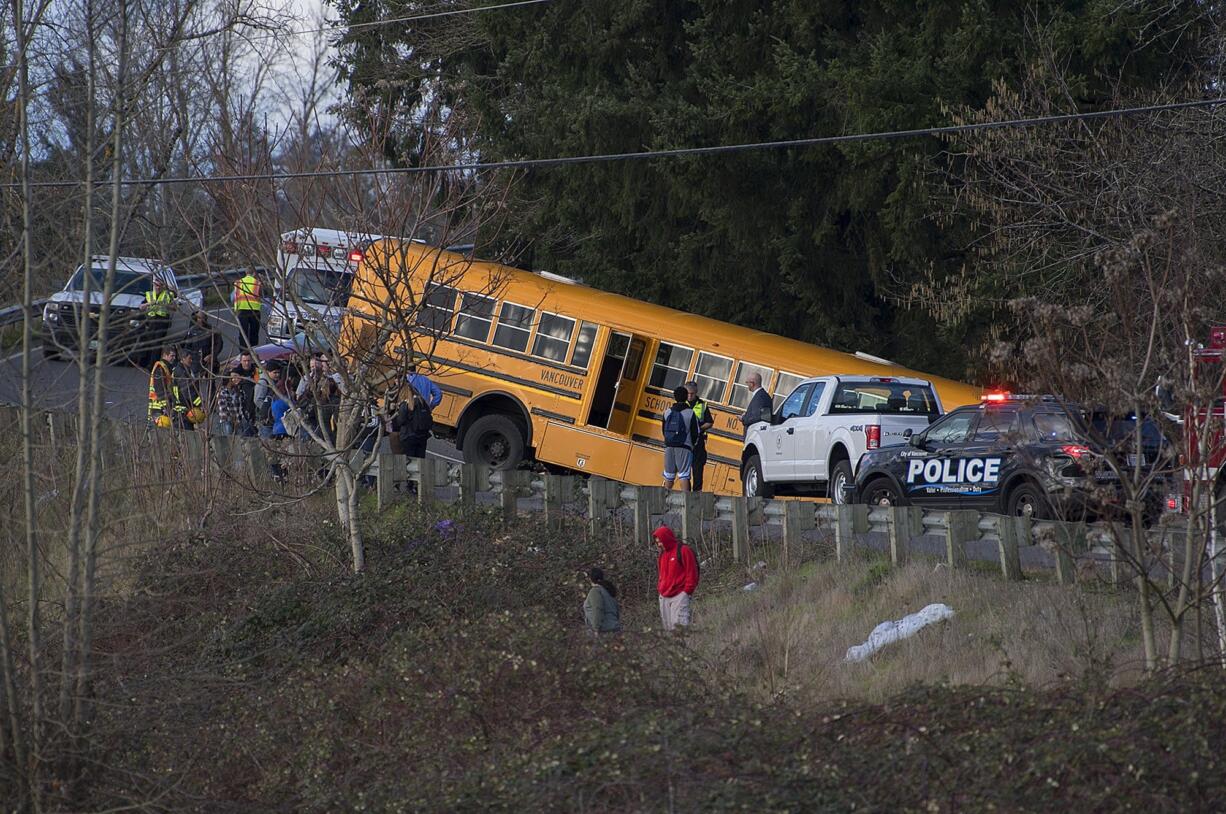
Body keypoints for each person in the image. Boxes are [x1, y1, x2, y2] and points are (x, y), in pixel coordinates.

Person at [653, 526, 699, 631]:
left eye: (660, 541)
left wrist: (686, 592)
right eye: (657, 542)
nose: (659, 544)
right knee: (668, 629)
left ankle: (683, 647)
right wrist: (660, 589)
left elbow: (692, 573)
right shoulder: (662, 555)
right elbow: (661, 574)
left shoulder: (684, 551)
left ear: (666, 538)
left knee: (680, 629)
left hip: (679, 596)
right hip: (664, 597)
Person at [661, 384, 700, 491]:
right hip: (684, 447)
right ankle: (686, 500)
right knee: (684, 475)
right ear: (686, 397)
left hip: (669, 446)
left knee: (668, 476)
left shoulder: (667, 412)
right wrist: (692, 445)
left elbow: (664, 430)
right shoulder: (690, 413)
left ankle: (664, 499)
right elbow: (695, 433)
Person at [685, 380, 716, 492]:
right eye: (688, 393)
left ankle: (697, 493)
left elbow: (709, 422)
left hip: (698, 442)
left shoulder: (702, 405)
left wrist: (699, 429)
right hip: (684, 441)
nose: (690, 396)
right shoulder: (681, 403)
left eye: (692, 393)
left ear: (696, 392)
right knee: (684, 471)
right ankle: (686, 493)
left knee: (697, 470)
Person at [140, 277, 175, 365]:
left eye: (160, 285)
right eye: (156, 285)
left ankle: (153, 365)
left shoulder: (168, 294)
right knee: (150, 343)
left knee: (157, 344)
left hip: (162, 321)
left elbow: (175, 308)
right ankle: (147, 362)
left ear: (163, 286)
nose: (158, 287)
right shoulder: (149, 294)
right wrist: (149, 304)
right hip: (151, 321)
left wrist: (166, 305)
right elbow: (141, 307)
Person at [391, 386, 433, 459]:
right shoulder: (422, 402)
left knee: (409, 461)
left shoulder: (405, 404)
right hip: (422, 436)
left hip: (408, 436)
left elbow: (400, 421)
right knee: (420, 461)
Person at [583, 567, 622, 634]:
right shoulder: (608, 590)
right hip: (615, 627)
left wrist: (596, 629)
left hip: (604, 630)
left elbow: (598, 608)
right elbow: (616, 610)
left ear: (590, 579)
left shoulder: (595, 591)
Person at [217, 368, 255, 436]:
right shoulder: (222, 393)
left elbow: (242, 406)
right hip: (227, 422)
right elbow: (223, 409)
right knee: (229, 439)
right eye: (232, 378)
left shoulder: (239, 392)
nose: (234, 380)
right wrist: (232, 420)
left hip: (239, 421)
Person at [147, 345, 178, 427]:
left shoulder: (166, 368)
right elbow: (160, 390)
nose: (174, 358)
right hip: (159, 409)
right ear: (165, 355)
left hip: (161, 408)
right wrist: (167, 407)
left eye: (175, 356)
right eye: (172, 356)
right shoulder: (160, 369)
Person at [174, 346, 204, 429]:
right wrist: (200, 404)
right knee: (187, 433)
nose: (191, 361)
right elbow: (188, 391)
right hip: (183, 409)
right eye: (189, 358)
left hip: (184, 408)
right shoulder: (181, 372)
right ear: (183, 359)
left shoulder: (183, 370)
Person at [232, 269, 262, 349]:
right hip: (254, 311)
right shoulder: (257, 283)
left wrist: (236, 310)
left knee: (243, 334)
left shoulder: (238, 283)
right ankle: (254, 350)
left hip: (242, 310)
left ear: (246, 273)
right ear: (254, 273)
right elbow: (261, 297)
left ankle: (243, 353)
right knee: (254, 333)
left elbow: (235, 297)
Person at [740, 371, 773, 437]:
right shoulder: (765, 395)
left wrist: (743, 418)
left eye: (747, 382)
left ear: (752, 383)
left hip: (753, 435)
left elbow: (756, 417)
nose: (747, 385)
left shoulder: (759, 397)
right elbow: (763, 415)